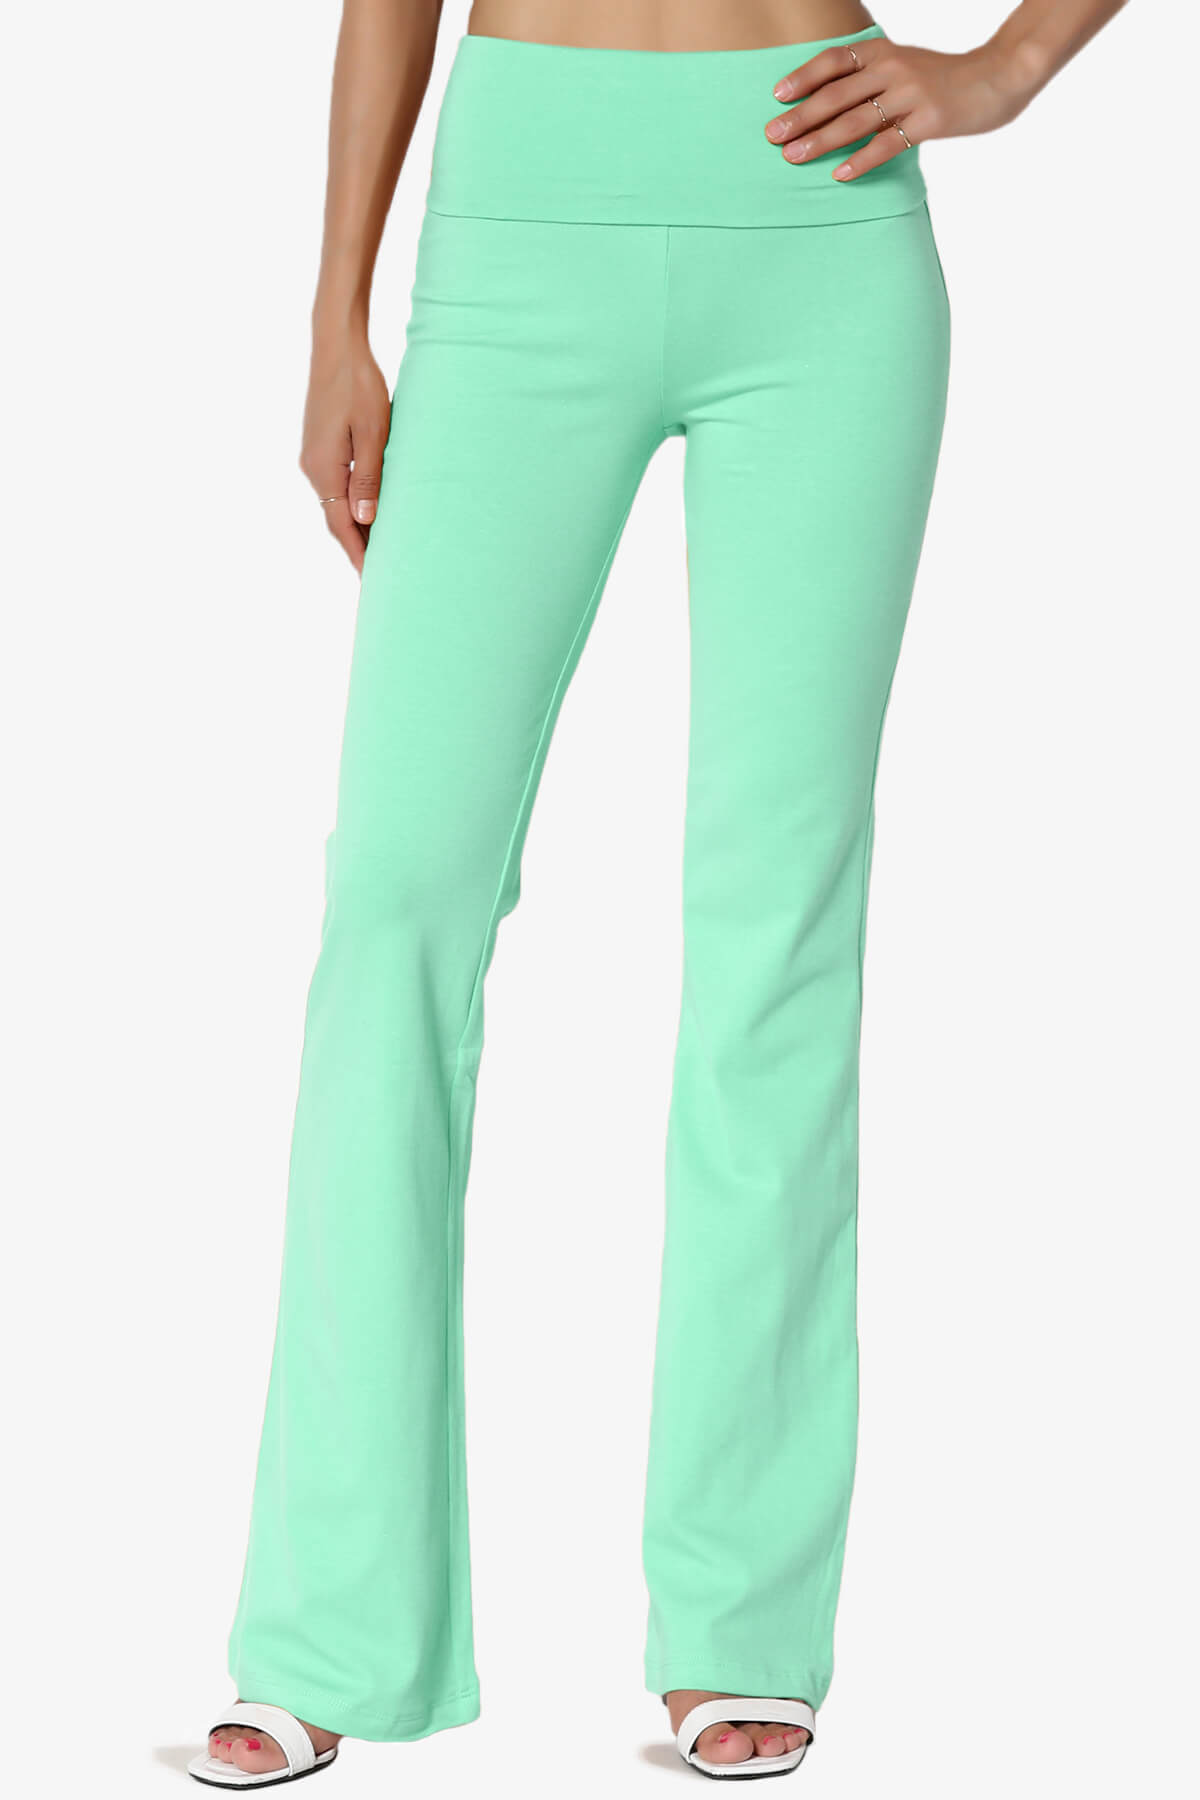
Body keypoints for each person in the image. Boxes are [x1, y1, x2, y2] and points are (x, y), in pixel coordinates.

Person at [188, 0, 1129, 1786]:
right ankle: (325, 1628)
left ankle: (742, 1625)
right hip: (519, 218)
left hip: (824, 231)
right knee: (398, 905)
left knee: (777, 919)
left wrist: (1006, 68)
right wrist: (335, 311)